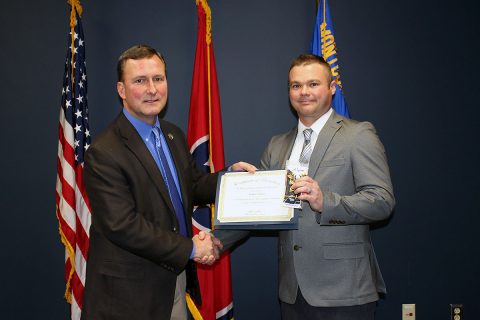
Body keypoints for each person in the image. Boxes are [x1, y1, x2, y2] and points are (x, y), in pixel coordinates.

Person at [81, 44, 254, 320]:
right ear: (121, 90)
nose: (152, 89)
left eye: (158, 79)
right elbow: (123, 225)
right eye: (140, 81)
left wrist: (229, 178)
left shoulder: (173, 135)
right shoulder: (104, 151)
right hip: (130, 295)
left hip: (174, 282)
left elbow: (193, 186)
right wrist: (192, 248)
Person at [215, 54, 395, 320]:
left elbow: (382, 201)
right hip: (293, 291)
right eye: (296, 85)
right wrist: (216, 241)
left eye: (313, 84)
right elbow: (258, 213)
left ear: (332, 87)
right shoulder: (277, 144)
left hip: (345, 290)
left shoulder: (358, 134)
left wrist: (326, 202)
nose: (304, 92)